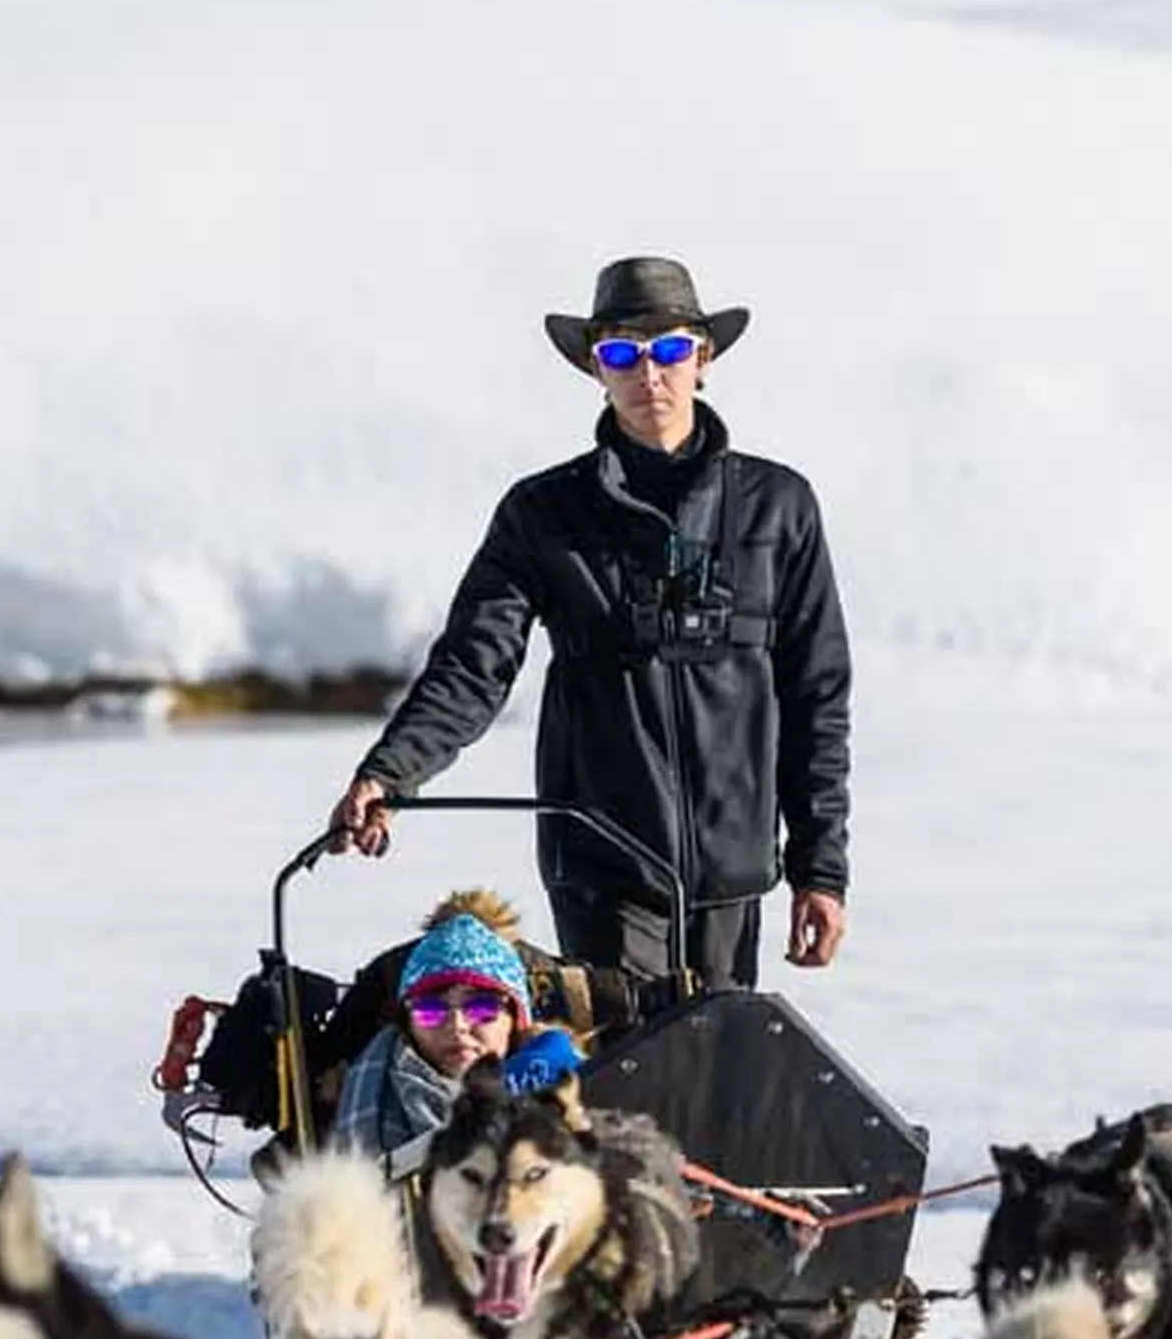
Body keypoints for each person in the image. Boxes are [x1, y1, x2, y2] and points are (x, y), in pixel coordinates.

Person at [325, 254, 850, 993]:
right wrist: (392, 771)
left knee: (719, 1082)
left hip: (734, 872)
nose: (649, 373)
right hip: (605, 868)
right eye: (621, 354)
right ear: (594, 370)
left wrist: (819, 869)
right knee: (627, 1083)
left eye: (669, 349)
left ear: (704, 358)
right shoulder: (543, 515)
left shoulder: (778, 506)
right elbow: (473, 668)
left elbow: (816, 698)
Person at [328, 891, 535, 1160]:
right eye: (430, 1010)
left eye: (482, 1008)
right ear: (408, 1025)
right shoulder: (374, 1107)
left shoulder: (566, 1087)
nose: (457, 1025)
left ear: (516, 1020)